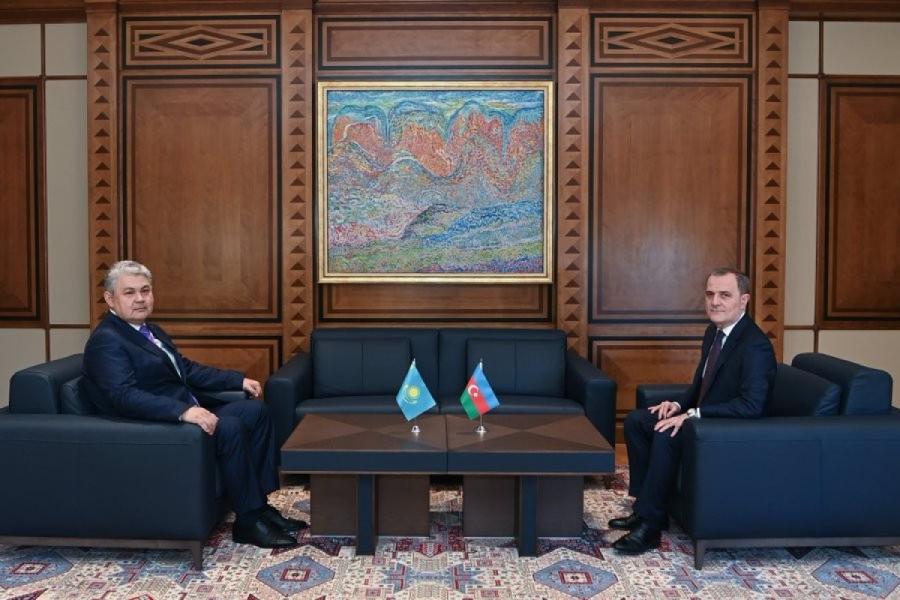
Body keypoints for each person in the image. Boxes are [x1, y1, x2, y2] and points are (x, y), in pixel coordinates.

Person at [82, 260, 305, 549]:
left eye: (145, 290)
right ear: (110, 299)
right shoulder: (107, 340)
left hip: (184, 411)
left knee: (257, 411)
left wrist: (237, 381)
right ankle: (248, 522)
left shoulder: (150, 330)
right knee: (230, 426)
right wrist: (183, 411)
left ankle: (259, 506)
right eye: (129, 292)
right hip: (154, 427)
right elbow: (122, 396)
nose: (140, 299)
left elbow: (185, 370)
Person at [610, 267, 776, 555]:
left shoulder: (755, 345)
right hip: (705, 418)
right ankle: (645, 507)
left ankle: (650, 527)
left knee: (667, 433)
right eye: (710, 294)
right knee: (637, 421)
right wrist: (678, 405)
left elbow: (751, 406)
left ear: (744, 300)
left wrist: (692, 415)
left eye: (725, 295)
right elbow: (702, 384)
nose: (715, 302)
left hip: (727, 430)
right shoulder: (714, 332)